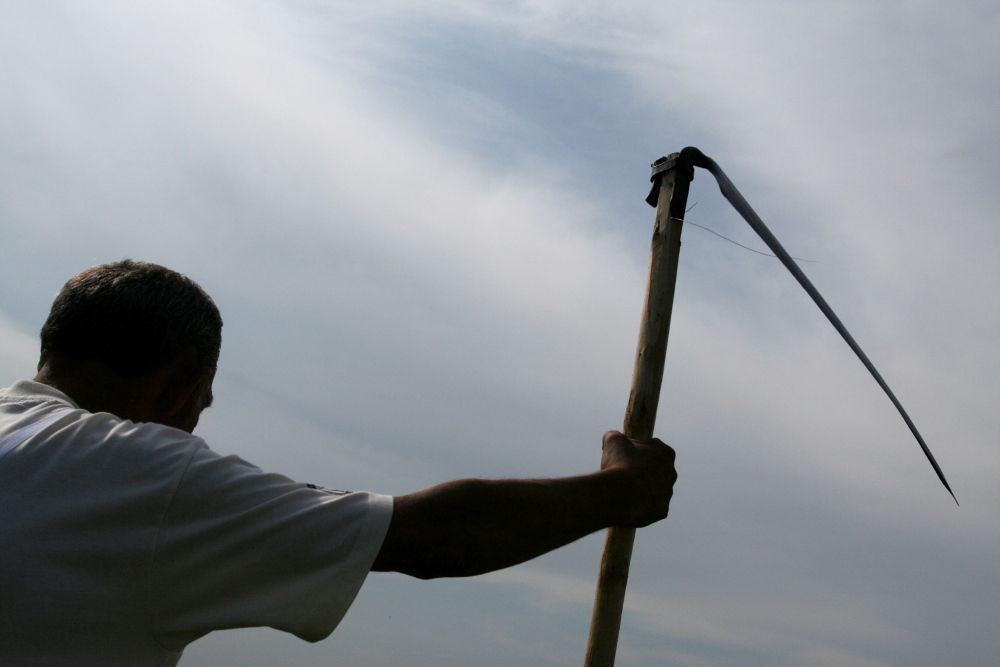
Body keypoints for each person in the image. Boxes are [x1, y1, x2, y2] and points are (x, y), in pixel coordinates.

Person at [0, 260, 677, 665]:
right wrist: (621, 490)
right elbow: (428, 534)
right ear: (174, 385)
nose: (195, 417)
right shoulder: (138, 472)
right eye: (200, 400)